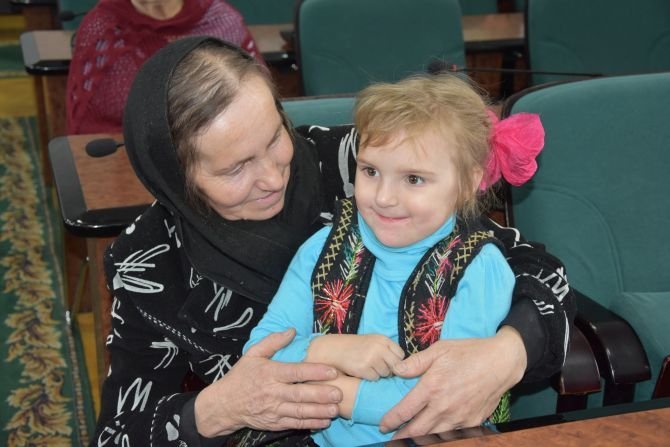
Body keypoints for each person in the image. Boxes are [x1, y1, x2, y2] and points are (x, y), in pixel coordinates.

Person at [94, 35, 574, 446]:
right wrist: (215, 410)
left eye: (274, 138)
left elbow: (532, 267)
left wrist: (507, 353)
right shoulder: (149, 262)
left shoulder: (360, 165)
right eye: (236, 168)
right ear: (177, 180)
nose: (273, 178)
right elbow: (118, 434)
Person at [242, 74, 544, 446]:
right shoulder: (323, 247)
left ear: (467, 183)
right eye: (370, 171)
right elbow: (260, 353)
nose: (384, 197)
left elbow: (439, 394)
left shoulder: (478, 268)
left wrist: (324, 389)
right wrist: (328, 349)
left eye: (413, 179)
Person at [65, 0, 264, 135]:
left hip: (224, 150)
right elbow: (88, 129)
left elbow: (258, 102)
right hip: (133, 162)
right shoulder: (103, 27)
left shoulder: (222, 20)